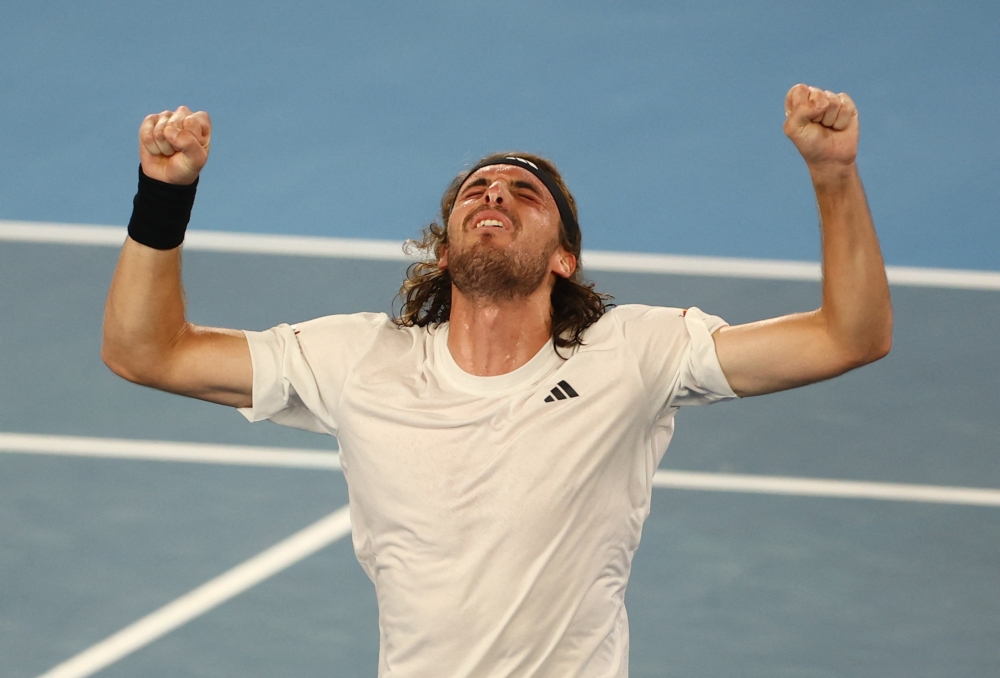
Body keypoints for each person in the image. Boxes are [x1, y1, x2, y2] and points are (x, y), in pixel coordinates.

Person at [102, 84, 892, 677]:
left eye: (525, 194)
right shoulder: (360, 360)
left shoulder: (635, 353)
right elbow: (147, 352)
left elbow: (848, 336)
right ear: (443, 253)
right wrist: (164, 195)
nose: (495, 195)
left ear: (563, 257)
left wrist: (833, 176)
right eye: (478, 190)